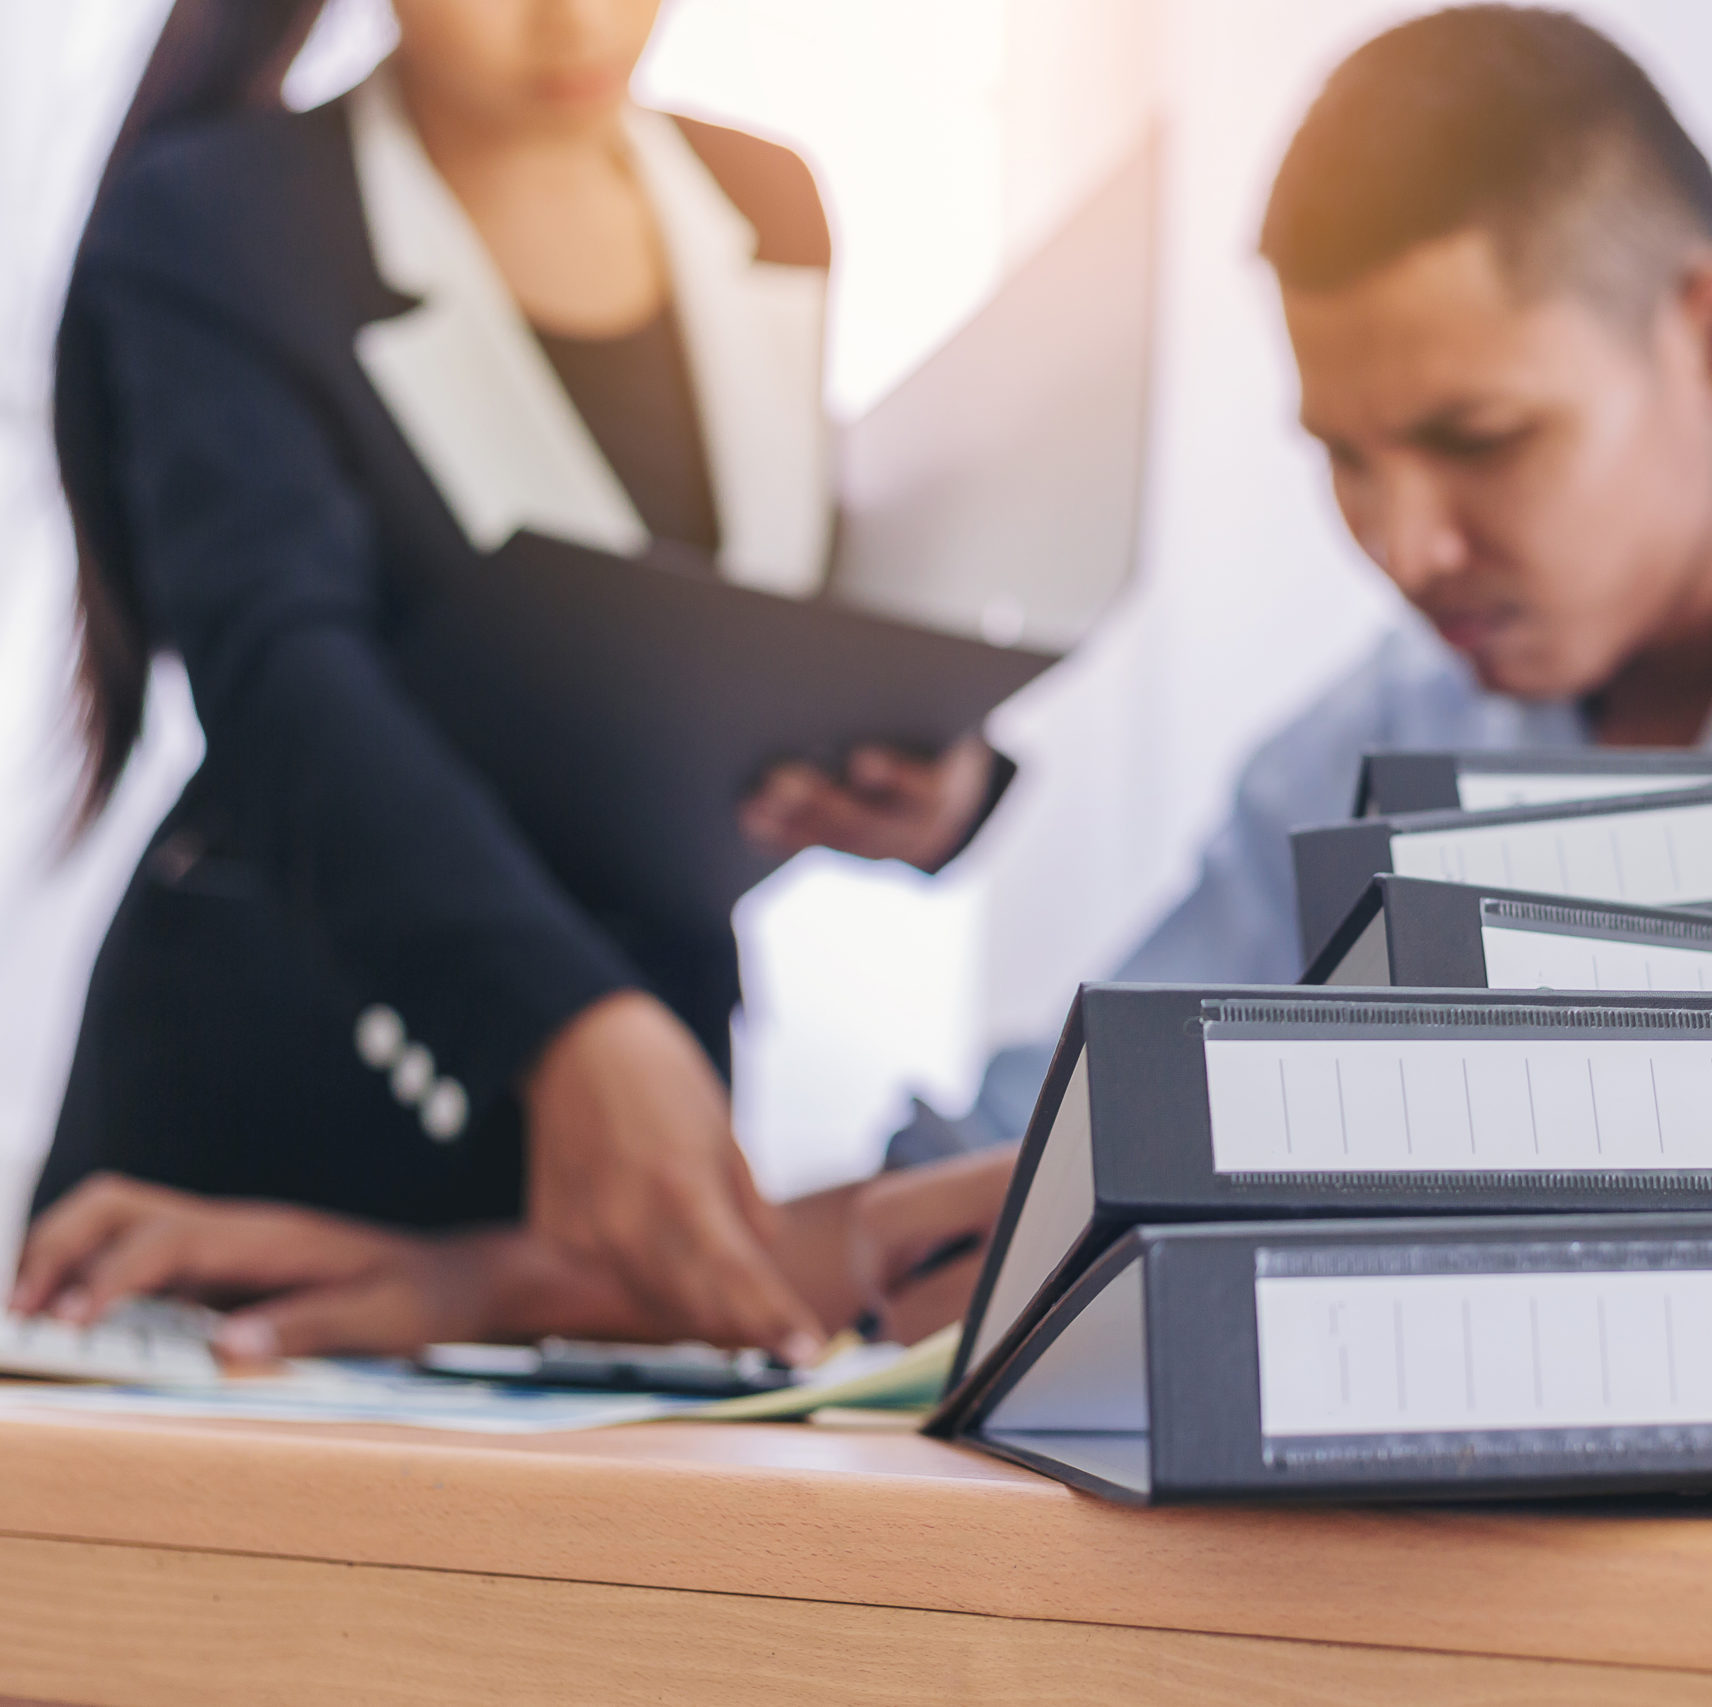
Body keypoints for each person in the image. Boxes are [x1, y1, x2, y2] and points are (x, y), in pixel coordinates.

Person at [14, 3, 1712, 1356]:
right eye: (1337, 457)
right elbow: (1019, 1161)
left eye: (1479, 442)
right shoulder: (1355, 763)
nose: (1401, 546)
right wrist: (491, 1275)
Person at [38, 0, 1003, 1363]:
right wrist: (567, 1024)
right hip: (289, 1069)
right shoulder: (217, 215)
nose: (572, 19)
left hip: (639, 1065)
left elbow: (738, 606)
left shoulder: (766, 203)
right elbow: (278, 668)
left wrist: (933, 774)